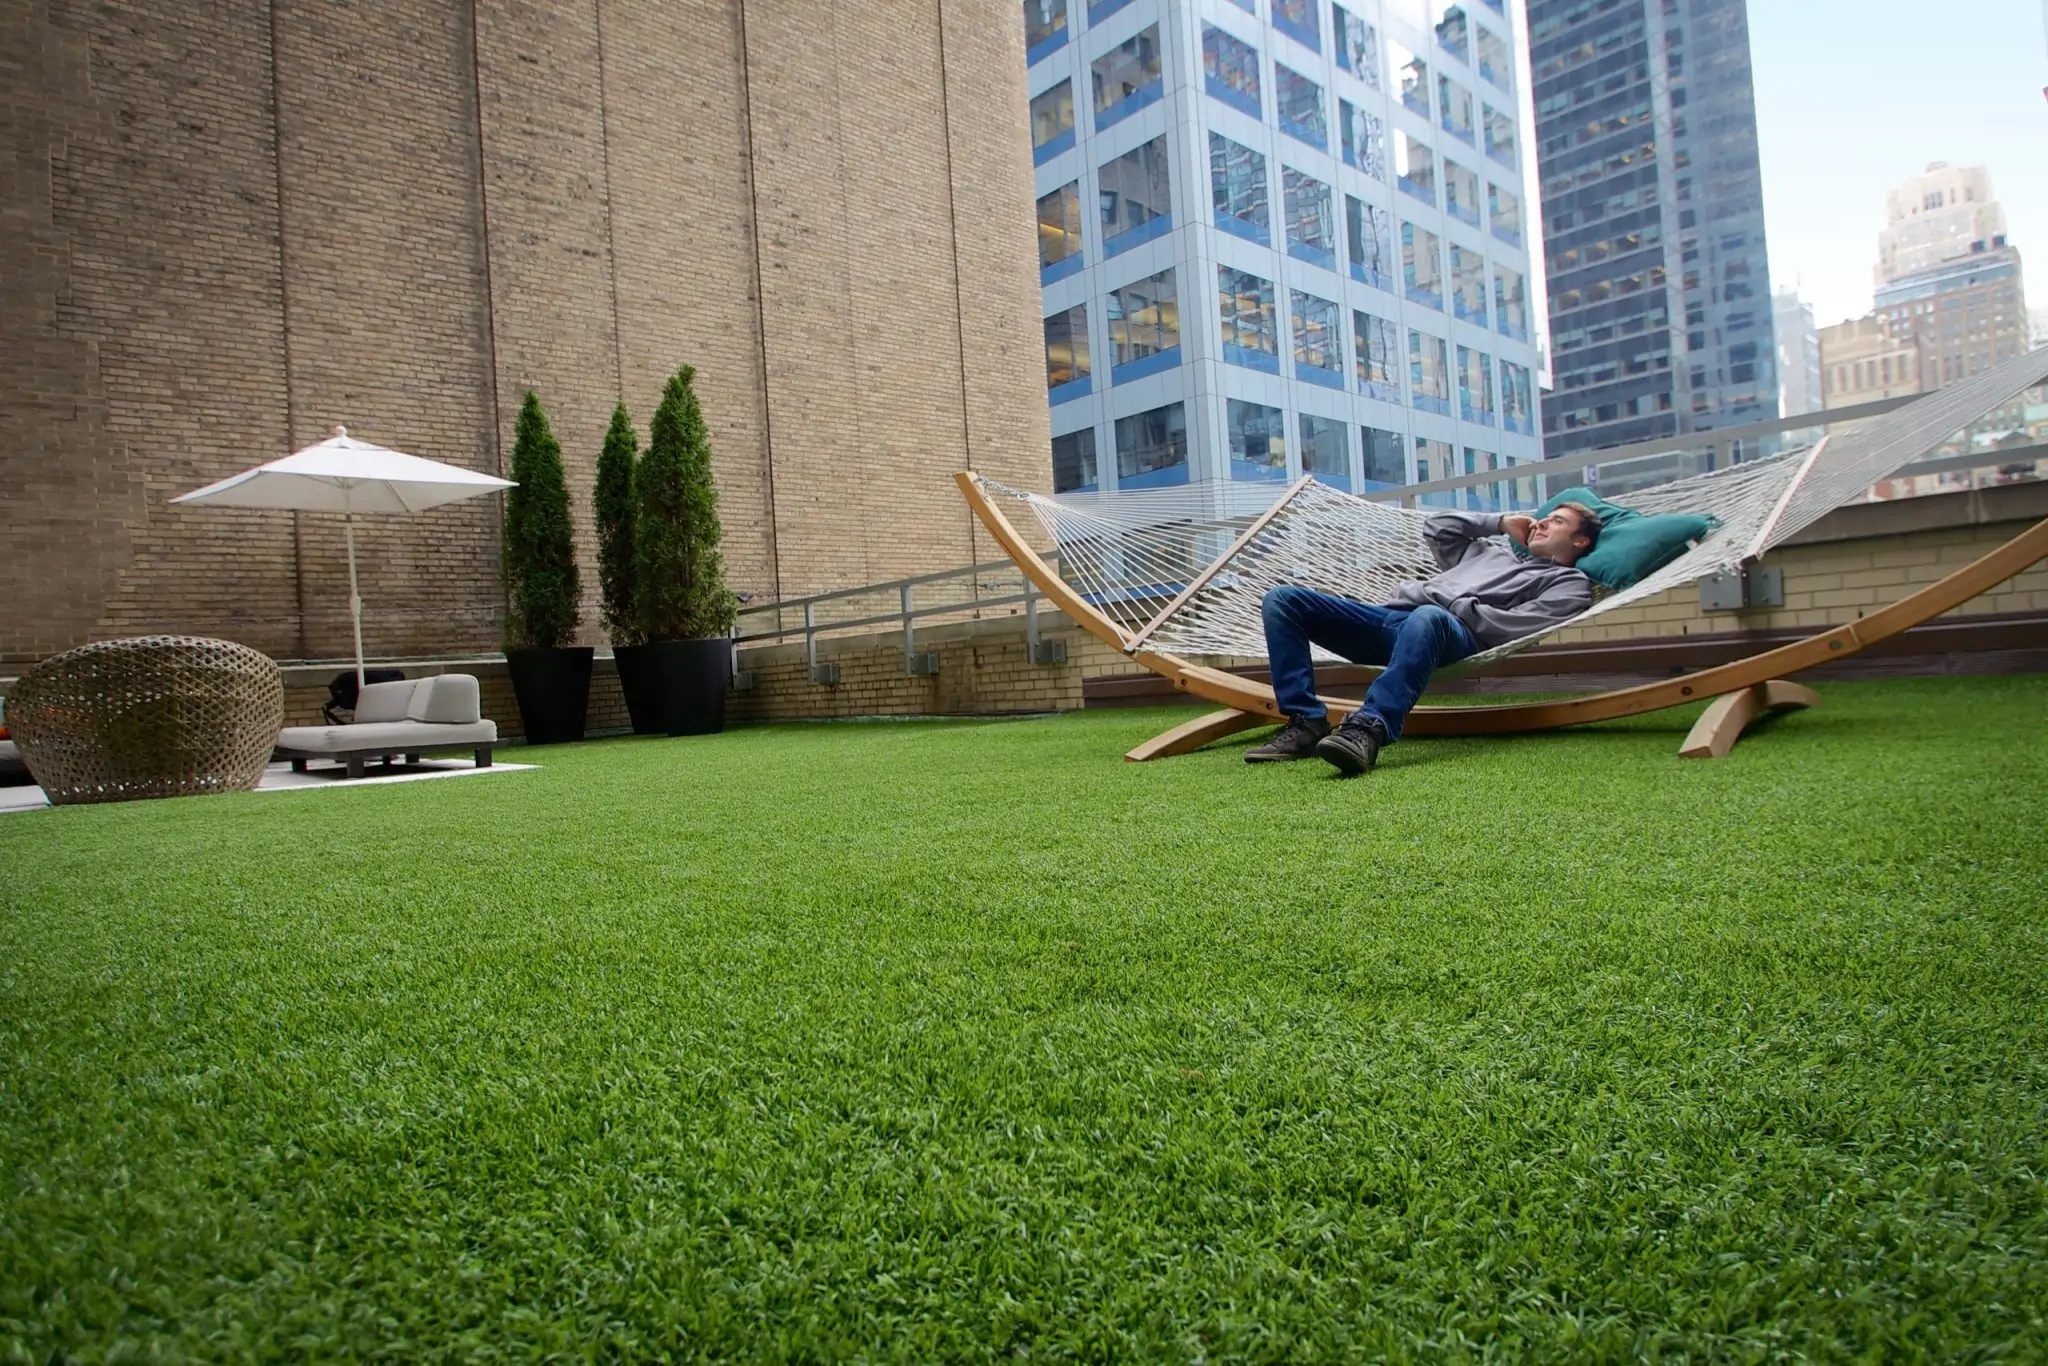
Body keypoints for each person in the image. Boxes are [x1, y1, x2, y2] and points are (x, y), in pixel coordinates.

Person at [1246, 503, 1603, 775]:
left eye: (1558, 521)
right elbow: (1438, 527)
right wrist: (1499, 523)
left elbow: (1521, 625)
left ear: (1580, 540)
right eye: (1546, 516)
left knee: (1429, 616)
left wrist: (1455, 606)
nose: (1543, 522)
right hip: (1390, 619)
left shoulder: (1569, 583)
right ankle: (1306, 722)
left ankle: (1368, 728)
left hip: (1453, 635)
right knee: (1283, 599)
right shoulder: (1488, 552)